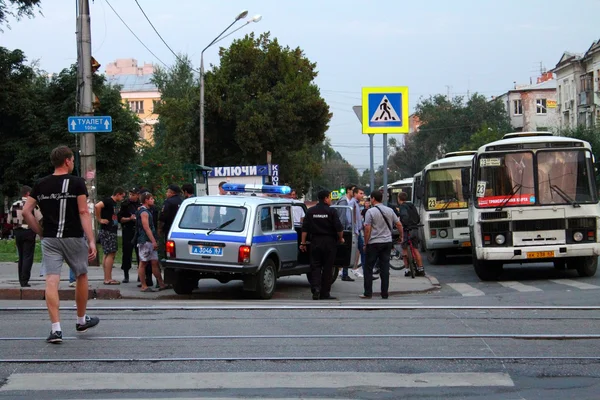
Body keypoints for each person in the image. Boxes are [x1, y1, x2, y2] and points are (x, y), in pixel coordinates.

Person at [23, 145, 100, 344]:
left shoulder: (40, 184)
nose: (73, 163)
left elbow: (26, 212)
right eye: (73, 160)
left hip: (50, 239)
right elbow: (83, 212)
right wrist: (91, 240)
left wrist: (40, 232)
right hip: (73, 236)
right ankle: (81, 320)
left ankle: (56, 329)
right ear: (67, 161)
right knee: (81, 274)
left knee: (51, 281)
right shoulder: (77, 183)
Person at [300, 190, 344, 300]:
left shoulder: (310, 211)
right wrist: (341, 238)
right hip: (329, 242)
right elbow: (339, 228)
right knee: (328, 268)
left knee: (315, 266)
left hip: (315, 241)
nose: (330, 199)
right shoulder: (332, 211)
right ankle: (325, 293)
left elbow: (304, 228)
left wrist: (303, 243)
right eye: (329, 197)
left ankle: (316, 289)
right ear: (325, 198)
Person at [361, 190, 403, 299]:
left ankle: (368, 293)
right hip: (387, 243)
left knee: (368, 268)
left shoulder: (370, 212)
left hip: (374, 243)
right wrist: (401, 236)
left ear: (373, 199)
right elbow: (399, 224)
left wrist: (365, 243)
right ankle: (384, 293)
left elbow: (367, 229)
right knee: (385, 268)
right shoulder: (389, 210)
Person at [136, 192, 171, 292]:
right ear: (146, 200)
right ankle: (144, 285)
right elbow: (146, 228)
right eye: (151, 199)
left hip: (149, 240)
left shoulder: (146, 210)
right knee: (143, 262)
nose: (153, 200)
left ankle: (161, 283)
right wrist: (153, 241)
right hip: (145, 240)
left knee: (154, 262)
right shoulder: (144, 212)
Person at [10, 185, 43, 287]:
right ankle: (25, 280)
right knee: (28, 256)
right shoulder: (33, 205)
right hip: (29, 231)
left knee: (21, 255)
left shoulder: (14, 205)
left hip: (18, 232)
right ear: (28, 194)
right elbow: (40, 218)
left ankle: (20, 278)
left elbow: (9, 220)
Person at [95, 187, 126, 285]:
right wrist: (99, 219)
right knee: (111, 253)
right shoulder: (108, 201)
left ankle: (107, 277)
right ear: (117, 194)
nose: (122, 198)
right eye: (122, 196)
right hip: (108, 230)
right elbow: (97, 206)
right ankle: (108, 278)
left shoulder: (114, 203)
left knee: (107, 253)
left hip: (110, 229)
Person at [397, 192, 425, 276]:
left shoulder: (402, 207)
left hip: (407, 229)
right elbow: (417, 217)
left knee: (404, 249)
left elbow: (404, 217)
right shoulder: (412, 205)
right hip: (415, 228)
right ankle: (420, 268)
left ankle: (407, 269)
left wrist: (404, 225)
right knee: (416, 249)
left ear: (399, 199)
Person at [117, 187, 140, 283]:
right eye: (130, 194)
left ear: (138, 195)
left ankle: (140, 275)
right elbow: (120, 218)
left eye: (133, 194)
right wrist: (129, 219)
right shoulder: (125, 204)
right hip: (128, 230)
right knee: (127, 252)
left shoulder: (141, 204)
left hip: (138, 230)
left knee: (140, 253)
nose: (131, 196)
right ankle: (126, 274)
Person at [336, 184, 356, 281]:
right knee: (346, 250)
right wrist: (342, 230)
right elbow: (342, 216)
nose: (355, 192)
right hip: (345, 229)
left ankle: (345, 272)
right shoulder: (344, 201)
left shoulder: (351, 201)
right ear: (348, 191)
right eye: (353, 190)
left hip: (350, 229)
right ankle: (344, 273)